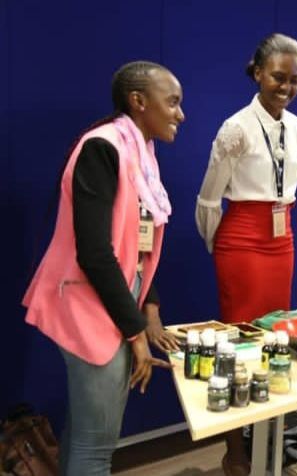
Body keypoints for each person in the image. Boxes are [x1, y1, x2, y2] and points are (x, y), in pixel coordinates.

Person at [22, 60, 184, 475]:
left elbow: (141, 241)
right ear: (138, 101)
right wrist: (135, 332)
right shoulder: (103, 148)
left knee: (85, 435)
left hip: (116, 303)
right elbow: (95, 254)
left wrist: (149, 309)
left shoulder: (140, 153)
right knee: (97, 449)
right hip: (89, 306)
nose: (180, 114)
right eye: (172, 102)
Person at [195, 33, 297, 476]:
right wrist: (219, 246)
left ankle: (266, 437)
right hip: (241, 242)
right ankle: (234, 449)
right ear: (258, 73)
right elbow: (208, 200)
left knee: (274, 339)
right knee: (238, 343)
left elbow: (288, 189)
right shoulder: (236, 127)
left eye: (295, 79)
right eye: (279, 76)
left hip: (283, 240)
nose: (287, 86)